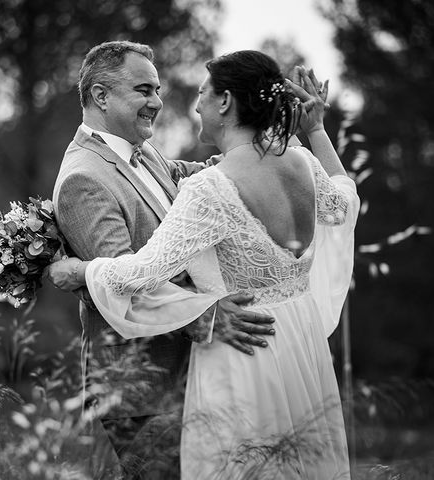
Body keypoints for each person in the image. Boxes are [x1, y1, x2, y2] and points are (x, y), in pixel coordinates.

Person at [48, 50, 360, 479]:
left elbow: (134, 271)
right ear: (100, 96)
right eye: (144, 90)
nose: (162, 101)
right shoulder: (84, 176)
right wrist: (316, 132)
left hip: (240, 354)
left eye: (162, 89)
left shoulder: (186, 173)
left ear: (225, 102)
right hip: (163, 381)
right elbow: (342, 202)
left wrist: (80, 271)